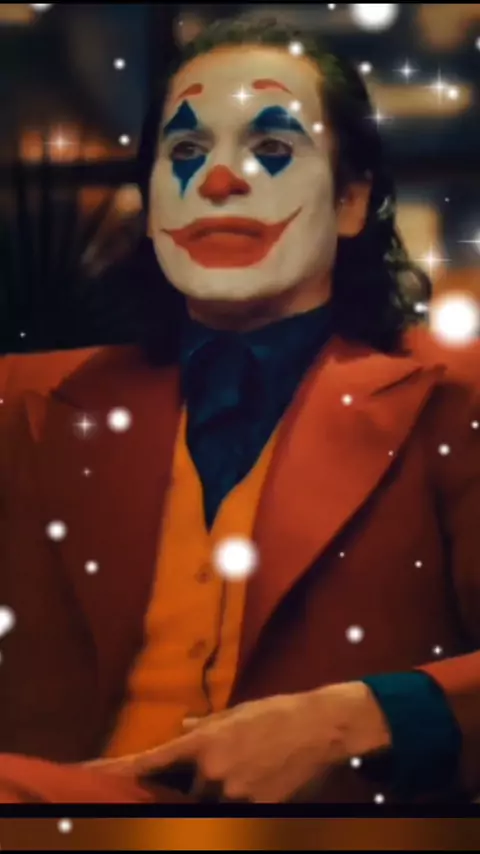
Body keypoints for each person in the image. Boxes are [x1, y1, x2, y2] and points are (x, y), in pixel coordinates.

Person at [0, 16, 479, 805]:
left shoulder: (455, 400)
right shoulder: (27, 407)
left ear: (352, 201)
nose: (218, 181)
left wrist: (358, 720)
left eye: (274, 147)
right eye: (186, 151)